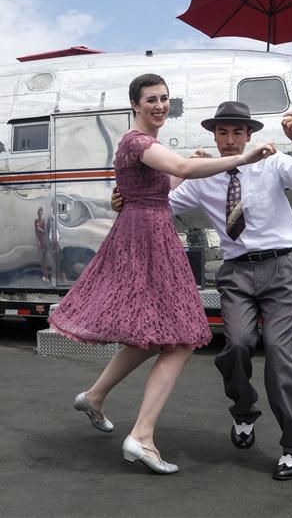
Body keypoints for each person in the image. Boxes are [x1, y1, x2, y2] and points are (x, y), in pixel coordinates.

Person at [48, 75, 275, 475]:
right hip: (147, 236)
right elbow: (182, 166)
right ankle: (142, 436)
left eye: (165, 98)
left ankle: (97, 396)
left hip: (146, 229)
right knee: (182, 338)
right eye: (151, 99)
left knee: (154, 333)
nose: (160, 105)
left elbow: (163, 186)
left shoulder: (140, 144)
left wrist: (187, 171)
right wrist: (242, 157)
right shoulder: (139, 142)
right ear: (135, 104)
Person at [113, 100, 292, 480]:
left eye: (237, 133)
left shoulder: (271, 162)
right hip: (236, 273)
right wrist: (122, 198)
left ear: (249, 135)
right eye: (222, 132)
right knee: (238, 344)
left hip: (282, 269)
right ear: (214, 135)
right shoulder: (204, 176)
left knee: (278, 350)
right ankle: (244, 411)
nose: (229, 140)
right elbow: (157, 202)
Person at [34, 207, 49, 280]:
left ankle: (46, 275)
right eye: (39, 211)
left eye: (41, 212)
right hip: (39, 240)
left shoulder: (43, 220)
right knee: (41, 259)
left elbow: (44, 230)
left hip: (43, 240)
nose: (40, 213)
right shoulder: (36, 220)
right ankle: (44, 275)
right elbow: (36, 232)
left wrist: (44, 240)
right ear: (38, 212)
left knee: (45, 259)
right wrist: (38, 242)